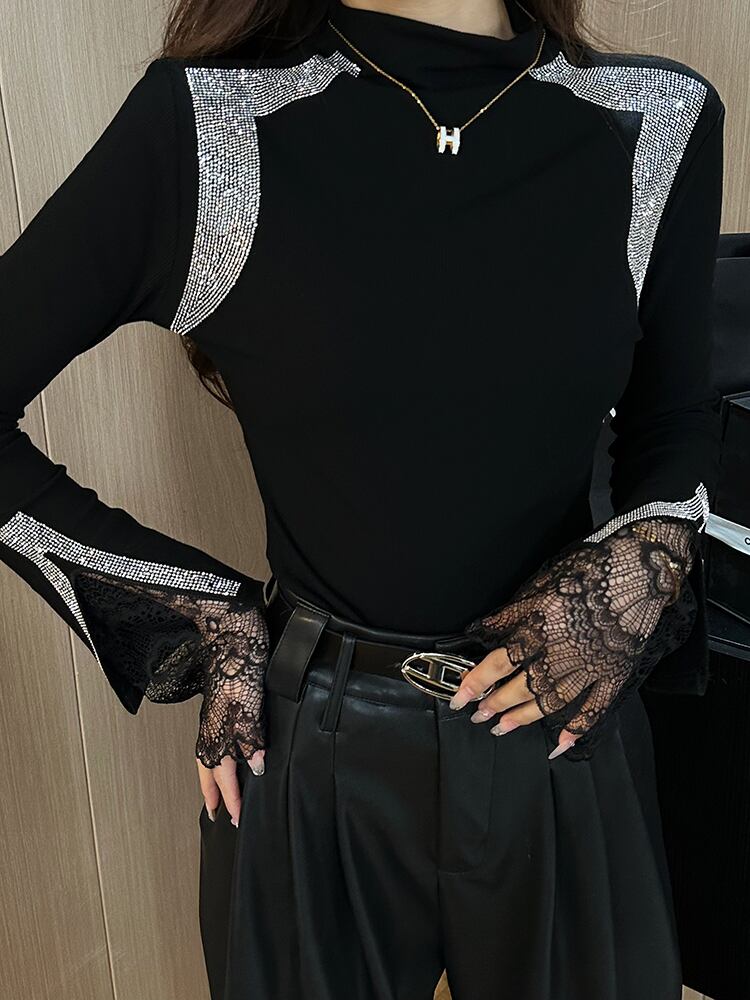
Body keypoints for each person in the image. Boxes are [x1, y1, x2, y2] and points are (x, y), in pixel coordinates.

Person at [0, 0, 726, 997]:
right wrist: (203, 617)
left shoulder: (653, 121)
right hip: (311, 754)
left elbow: (674, 421)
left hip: (562, 723)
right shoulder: (209, 124)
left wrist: (646, 561)